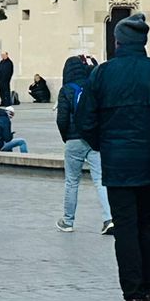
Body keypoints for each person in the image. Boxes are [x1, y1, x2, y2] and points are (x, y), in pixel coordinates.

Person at [75, 13, 150, 301]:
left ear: (118, 42)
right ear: (144, 42)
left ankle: (133, 296)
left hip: (118, 162)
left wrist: (103, 143)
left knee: (126, 228)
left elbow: (84, 119)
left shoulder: (102, 74)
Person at [54, 52, 111, 234]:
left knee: (72, 182)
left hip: (74, 139)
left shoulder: (66, 90)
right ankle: (109, 218)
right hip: (94, 139)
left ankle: (68, 221)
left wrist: (67, 137)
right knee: (101, 180)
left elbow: (62, 119)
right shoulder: (93, 86)